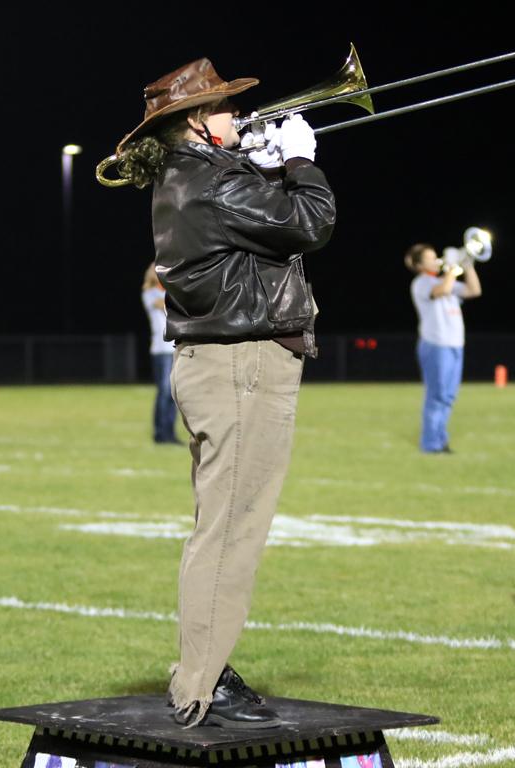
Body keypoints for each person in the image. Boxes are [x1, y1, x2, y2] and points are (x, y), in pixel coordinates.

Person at [111, 58, 335, 727]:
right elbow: (311, 222)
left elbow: (257, 235)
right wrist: (300, 161)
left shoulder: (196, 177)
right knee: (232, 531)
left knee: (224, 526)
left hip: (227, 364)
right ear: (196, 122)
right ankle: (199, 685)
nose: (239, 116)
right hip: (242, 367)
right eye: (226, 107)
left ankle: (205, 668)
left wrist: (258, 165)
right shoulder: (211, 181)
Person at [405, 243, 482, 453]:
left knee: (448, 396)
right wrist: (452, 268)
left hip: (455, 344)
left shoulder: (444, 279)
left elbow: (474, 290)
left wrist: (468, 265)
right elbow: (444, 290)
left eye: (435, 256)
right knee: (436, 395)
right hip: (435, 345)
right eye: (430, 257)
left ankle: (440, 440)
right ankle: (430, 443)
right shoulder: (421, 283)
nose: (436, 259)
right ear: (419, 265)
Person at [142, 262, 179, 444]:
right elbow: (164, 305)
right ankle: (160, 433)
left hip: (174, 348)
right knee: (164, 391)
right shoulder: (149, 294)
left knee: (173, 393)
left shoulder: (170, 294)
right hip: (161, 350)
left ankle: (170, 433)